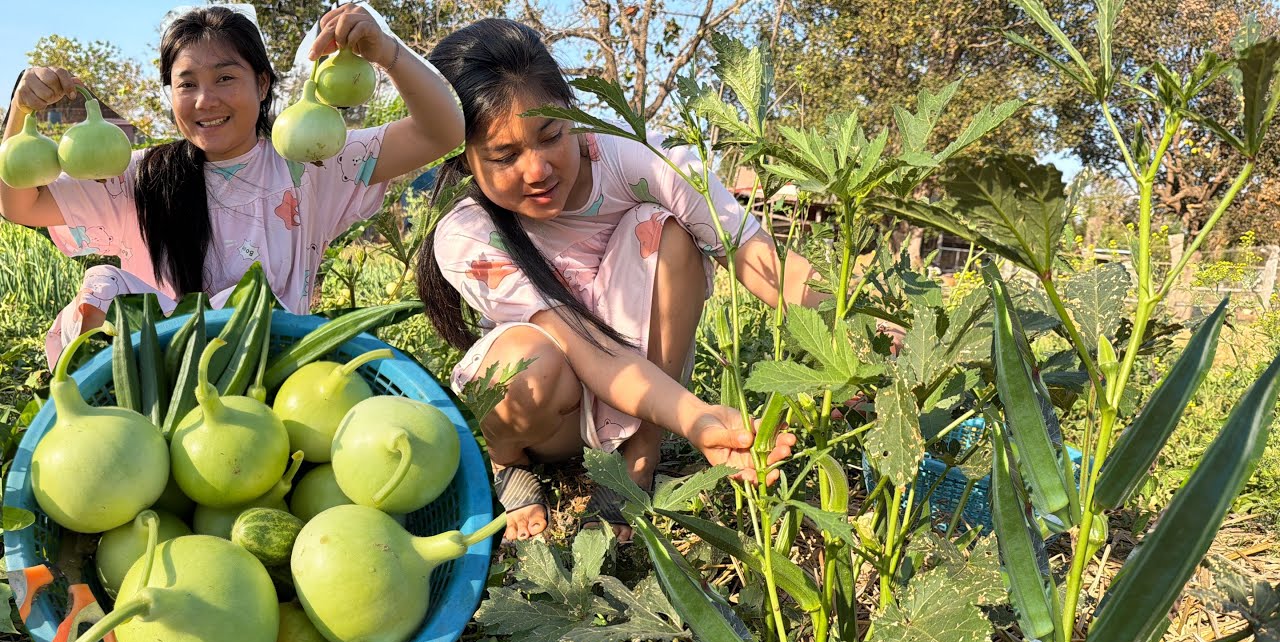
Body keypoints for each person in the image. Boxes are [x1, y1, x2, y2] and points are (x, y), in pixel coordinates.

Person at [418, 18, 873, 544]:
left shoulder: (635, 158)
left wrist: (856, 336)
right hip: (552, 414)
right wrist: (697, 418)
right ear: (462, 157)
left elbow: (751, 251)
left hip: (638, 391)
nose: (538, 169)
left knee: (670, 232)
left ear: (572, 115)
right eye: (505, 156)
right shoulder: (468, 235)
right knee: (520, 361)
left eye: (551, 136)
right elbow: (586, 348)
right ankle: (509, 464)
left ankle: (640, 455)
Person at [0, 4, 464, 368]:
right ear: (170, 93)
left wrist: (388, 54)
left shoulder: (310, 163)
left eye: (225, 77)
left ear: (262, 84)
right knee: (100, 287)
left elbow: (441, 132)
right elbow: (21, 204)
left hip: (273, 376)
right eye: (187, 84)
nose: (206, 100)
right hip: (150, 386)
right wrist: (20, 113)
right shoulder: (138, 177)